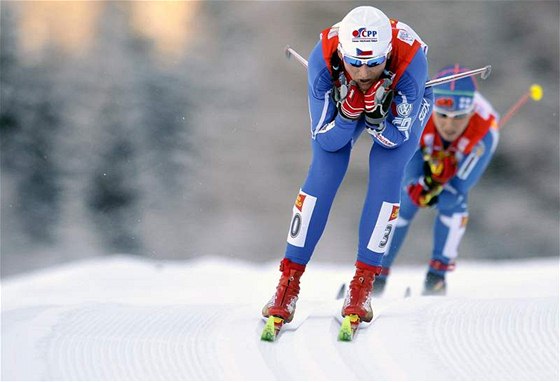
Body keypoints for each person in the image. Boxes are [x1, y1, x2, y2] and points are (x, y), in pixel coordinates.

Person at [262, 6, 433, 324]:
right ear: (343, 53)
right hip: (344, 104)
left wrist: (379, 120)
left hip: (397, 107)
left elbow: (394, 140)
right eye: (355, 63)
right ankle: (287, 285)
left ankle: (362, 288)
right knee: (323, 174)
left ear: (388, 53)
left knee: (387, 173)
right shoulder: (323, 60)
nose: (365, 73)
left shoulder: (411, 62)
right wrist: (347, 114)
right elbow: (327, 141)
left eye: (374, 63)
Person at [373, 65, 500, 296]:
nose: (450, 126)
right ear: (433, 109)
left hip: (464, 153)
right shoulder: (417, 110)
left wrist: (437, 182)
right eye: (442, 116)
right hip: (425, 145)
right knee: (405, 198)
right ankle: (376, 275)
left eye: (459, 118)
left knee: (453, 199)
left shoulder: (485, 130)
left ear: (471, 112)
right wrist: (418, 183)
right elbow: (408, 158)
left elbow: (461, 184)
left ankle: (437, 278)